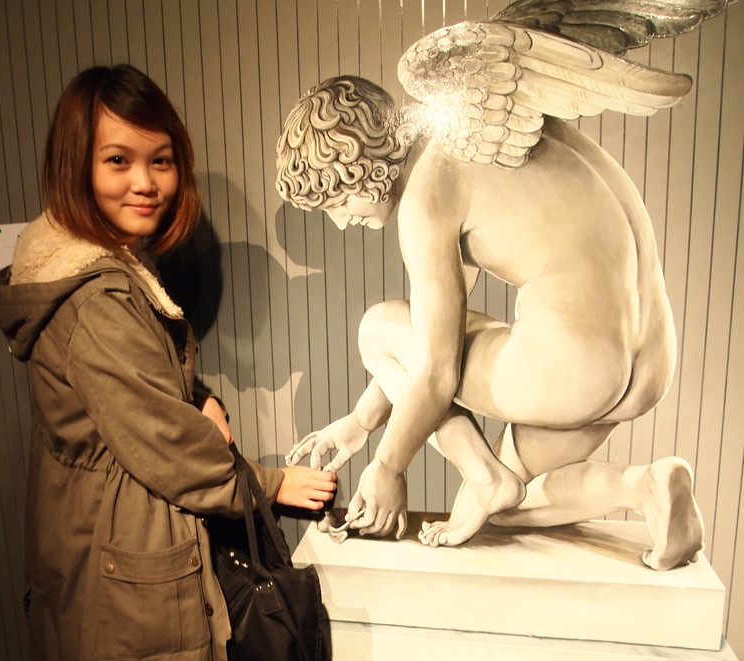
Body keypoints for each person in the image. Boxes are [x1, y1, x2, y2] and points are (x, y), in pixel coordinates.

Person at [0, 64, 336, 661]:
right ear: (77, 162)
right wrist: (267, 481)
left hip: (99, 529)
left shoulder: (94, 265)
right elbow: (166, 445)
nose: (145, 182)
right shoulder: (98, 293)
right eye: (118, 160)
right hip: (127, 539)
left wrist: (198, 400)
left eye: (160, 159)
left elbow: (144, 398)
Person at [277, 76, 703, 570]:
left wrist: (388, 466)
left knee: (375, 330)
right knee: (505, 507)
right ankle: (647, 486)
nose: (339, 221)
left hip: (575, 367)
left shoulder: (426, 193)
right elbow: (437, 332)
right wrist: (360, 422)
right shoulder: (469, 134)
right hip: (651, 359)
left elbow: (437, 369)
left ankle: (484, 477)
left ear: (360, 165)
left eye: (337, 201)